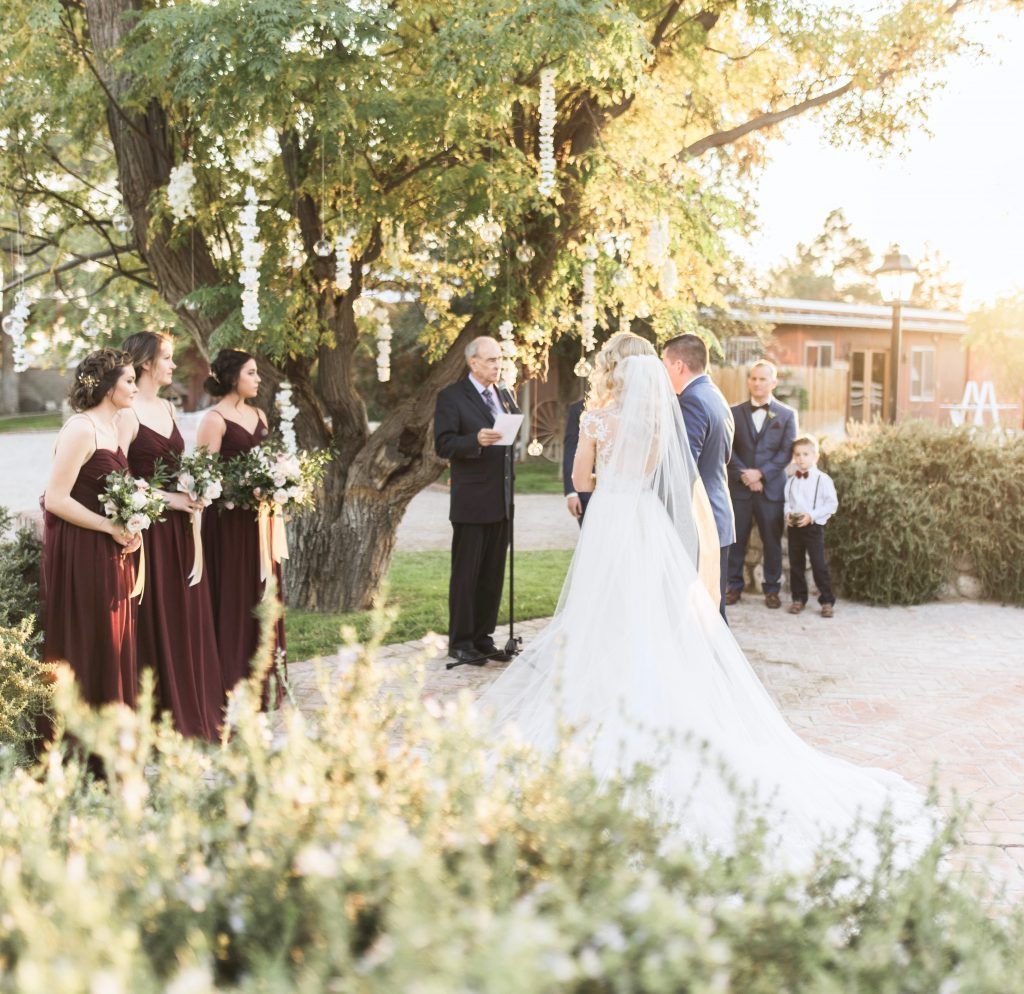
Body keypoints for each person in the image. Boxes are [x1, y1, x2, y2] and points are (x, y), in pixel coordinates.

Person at [477, 332, 929, 867]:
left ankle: (599, 705)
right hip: (646, 523)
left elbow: (581, 479)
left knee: (601, 614)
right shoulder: (655, 421)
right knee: (653, 616)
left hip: (609, 522)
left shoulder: (594, 420)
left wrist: (602, 473)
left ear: (611, 373)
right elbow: (658, 475)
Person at [121, 331, 223, 739]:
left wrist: (194, 488)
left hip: (181, 531)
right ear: (146, 363)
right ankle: (160, 713)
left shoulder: (166, 406)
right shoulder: (126, 412)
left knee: (184, 614)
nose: (173, 365)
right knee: (156, 617)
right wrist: (170, 499)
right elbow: (120, 479)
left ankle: (191, 705)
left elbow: (173, 462)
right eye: (166, 357)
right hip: (150, 535)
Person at [41, 348, 141, 710]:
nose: (135, 386)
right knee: (91, 636)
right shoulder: (81, 429)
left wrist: (133, 523)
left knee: (112, 637)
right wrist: (108, 525)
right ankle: (84, 742)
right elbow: (55, 498)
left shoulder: (113, 428)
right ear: (107, 387)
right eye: (129, 380)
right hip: (83, 550)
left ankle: (113, 732)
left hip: (110, 550)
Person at [197, 350, 286, 706]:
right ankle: (233, 681)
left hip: (261, 523)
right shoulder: (214, 419)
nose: (258, 378)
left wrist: (279, 484)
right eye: (252, 372)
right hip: (229, 525)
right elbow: (203, 478)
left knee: (263, 591)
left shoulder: (260, 414)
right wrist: (242, 488)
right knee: (235, 595)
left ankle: (264, 678)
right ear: (234, 377)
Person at [434, 336, 521, 666]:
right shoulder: (452, 397)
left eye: (499, 359)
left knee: (492, 574)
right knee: (467, 574)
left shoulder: (506, 395)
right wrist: (475, 440)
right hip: (471, 500)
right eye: (490, 360)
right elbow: (443, 444)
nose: (497, 365)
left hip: (501, 499)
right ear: (472, 362)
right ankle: (461, 641)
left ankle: (484, 637)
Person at [661, 334, 735, 620]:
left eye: (665, 364)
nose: (663, 372)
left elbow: (683, 469)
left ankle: (717, 666)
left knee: (701, 615)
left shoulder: (690, 401)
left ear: (679, 365)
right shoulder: (715, 394)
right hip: (719, 514)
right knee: (711, 610)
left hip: (699, 520)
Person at [726, 360, 797, 609]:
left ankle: (772, 589)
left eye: (763, 379)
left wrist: (761, 474)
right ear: (749, 381)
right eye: (754, 378)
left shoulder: (787, 415)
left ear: (773, 382)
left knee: (772, 541)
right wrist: (745, 474)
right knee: (737, 540)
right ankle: (733, 586)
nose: (757, 383)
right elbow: (728, 448)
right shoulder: (733, 412)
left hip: (771, 490)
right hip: (740, 488)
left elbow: (786, 452)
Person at [784, 435, 838, 619]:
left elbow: (832, 504)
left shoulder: (823, 479)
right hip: (795, 527)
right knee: (795, 564)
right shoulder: (791, 480)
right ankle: (798, 598)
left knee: (818, 564)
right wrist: (788, 514)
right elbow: (787, 502)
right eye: (797, 454)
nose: (801, 458)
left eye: (805, 454)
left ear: (815, 457)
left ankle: (827, 600)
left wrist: (812, 516)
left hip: (813, 527)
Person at [561, 398, 590, 525]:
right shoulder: (578, 409)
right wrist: (571, 492)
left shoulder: (632, 410)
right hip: (587, 494)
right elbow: (571, 452)